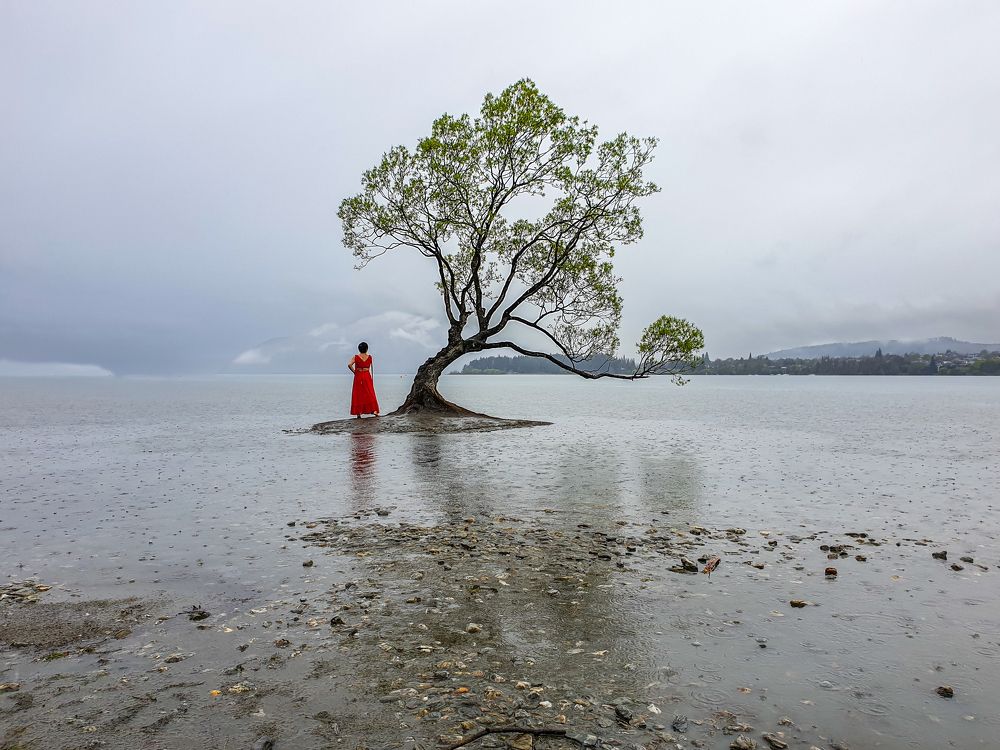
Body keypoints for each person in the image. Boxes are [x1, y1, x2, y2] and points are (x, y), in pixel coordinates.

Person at [348, 342, 380, 418]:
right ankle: (374, 410)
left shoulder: (356, 357)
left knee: (358, 393)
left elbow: (349, 365)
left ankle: (358, 413)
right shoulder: (370, 357)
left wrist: (354, 372)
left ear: (359, 349)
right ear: (367, 349)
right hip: (366, 375)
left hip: (358, 375)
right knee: (370, 392)